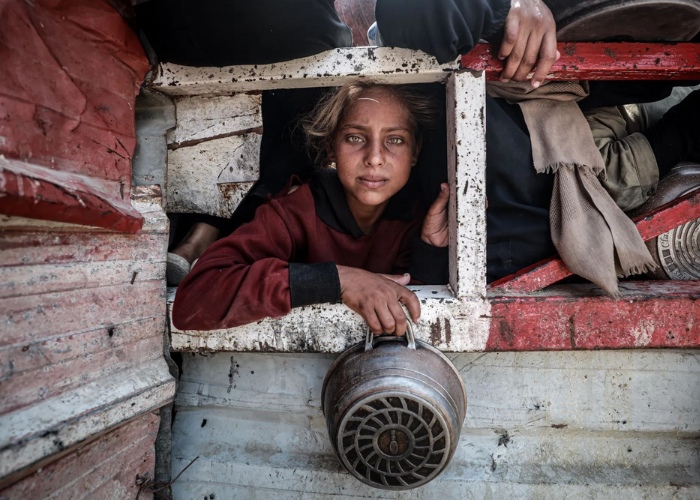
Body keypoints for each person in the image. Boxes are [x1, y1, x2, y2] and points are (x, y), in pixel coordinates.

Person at [172, 82, 450, 335]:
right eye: (355, 137)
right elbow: (195, 299)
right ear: (331, 147)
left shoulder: (414, 219)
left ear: (414, 152)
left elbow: (417, 313)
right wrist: (338, 280)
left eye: (395, 140)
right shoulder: (293, 212)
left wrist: (431, 250)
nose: (375, 158)